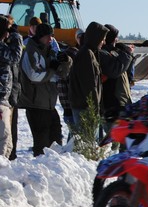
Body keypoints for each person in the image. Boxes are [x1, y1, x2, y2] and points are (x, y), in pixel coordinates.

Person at [19, 23, 71, 156]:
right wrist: (52, 70)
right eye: (48, 36)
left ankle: (54, 168)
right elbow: (33, 75)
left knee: (56, 138)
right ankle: (40, 168)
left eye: (52, 36)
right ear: (40, 36)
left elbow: (63, 74)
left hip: (49, 104)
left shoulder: (50, 50)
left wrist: (66, 61)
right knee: (41, 144)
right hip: (35, 104)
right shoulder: (30, 50)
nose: (51, 40)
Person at [69, 21, 108, 139]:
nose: (103, 42)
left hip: (84, 107)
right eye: (102, 39)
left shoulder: (88, 52)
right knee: (87, 143)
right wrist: (94, 110)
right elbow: (90, 86)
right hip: (85, 109)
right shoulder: (86, 55)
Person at [0, 16, 24, 160]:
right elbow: (15, 57)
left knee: (7, 143)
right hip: (0, 99)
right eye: (7, 30)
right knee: (3, 141)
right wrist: (16, 36)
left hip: (4, 99)